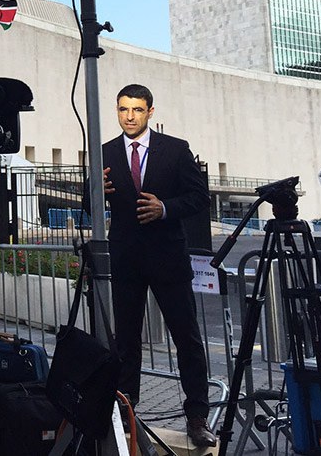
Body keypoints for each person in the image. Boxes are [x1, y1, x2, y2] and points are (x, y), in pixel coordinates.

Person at [99, 84, 215, 447]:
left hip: (168, 258)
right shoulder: (104, 153)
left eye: (136, 109)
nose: (129, 116)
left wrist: (165, 208)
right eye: (122, 110)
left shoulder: (176, 150)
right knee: (126, 343)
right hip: (127, 260)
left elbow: (199, 197)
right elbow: (90, 207)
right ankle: (125, 414)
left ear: (150, 111)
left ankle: (197, 417)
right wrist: (94, 194)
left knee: (187, 340)